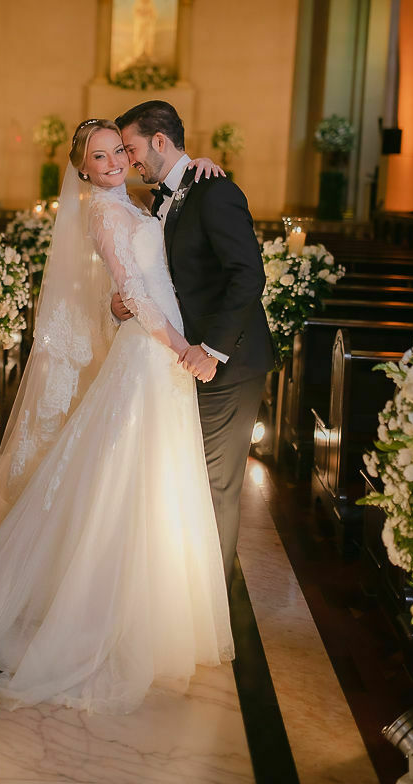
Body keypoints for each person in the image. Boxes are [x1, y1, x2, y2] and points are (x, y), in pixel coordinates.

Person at [0, 119, 232, 714]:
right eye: (99, 156)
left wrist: (203, 167)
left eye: (118, 150)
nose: (114, 161)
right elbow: (135, 295)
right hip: (153, 352)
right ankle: (101, 610)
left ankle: (154, 605)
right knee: (122, 476)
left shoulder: (137, 203)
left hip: (164, 353)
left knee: (155, 476)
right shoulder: (104, 213)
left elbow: (146, 275)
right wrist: (180, 347)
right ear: (82, 168)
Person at [114, 101, 277, 592]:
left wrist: (213, 350)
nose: (128, 160)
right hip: (183, 361)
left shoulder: (215, 190)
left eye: (131, 148)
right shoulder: (164, 197)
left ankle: (212, 598)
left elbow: (248, 276)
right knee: (186, 476)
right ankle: (185, 590)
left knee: (215, 482)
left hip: (228, 363)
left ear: (159, 141)